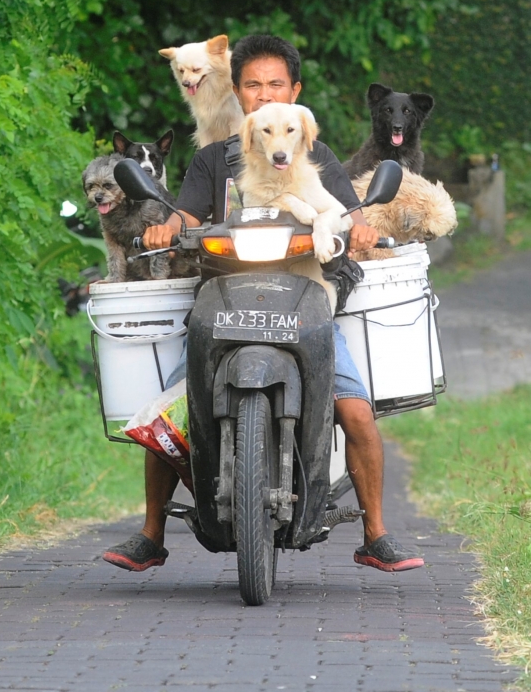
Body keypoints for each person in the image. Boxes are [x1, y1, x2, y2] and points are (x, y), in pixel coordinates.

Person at [103, 35, 424, 574]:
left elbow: (350, 210)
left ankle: (376, 531)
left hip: (305, 298)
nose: (262, 94)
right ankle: (151, 532)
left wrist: (364, 228)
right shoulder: (212, 159)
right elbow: (184, 215)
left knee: (356, 411)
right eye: (251, 85)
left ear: (294, 92)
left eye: (275, 84)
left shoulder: (314, 154)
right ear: (236, 91)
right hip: (224, 294)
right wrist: (166, 227)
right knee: (170, 414)